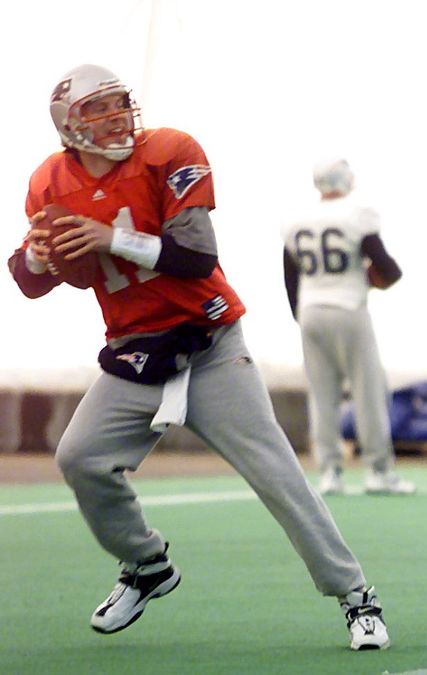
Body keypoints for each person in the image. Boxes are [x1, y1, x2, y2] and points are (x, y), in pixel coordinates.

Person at [11, 65, 390, 650]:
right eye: (98, 109)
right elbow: (29, 281)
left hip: (209, 345)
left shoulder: (169, 151)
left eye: (119, 104)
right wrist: (38, 256)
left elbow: (194, 254)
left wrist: (109, 237)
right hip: (133, 352)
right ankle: (146, 564)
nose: (116, 117)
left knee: (278, 476)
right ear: (68, 125)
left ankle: (356, 596)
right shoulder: (49, 183)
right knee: (80, 457)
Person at [281, 158, 413, 497]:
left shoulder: (296, 220)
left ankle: (329, 472)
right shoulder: (357, 214)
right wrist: (374, 277)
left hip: (310, 310)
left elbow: (290, 275)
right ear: (344, 179)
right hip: (349, 308)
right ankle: (378, 471)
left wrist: (300, 314)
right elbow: (388, 268)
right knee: (368, 391)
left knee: (322, 395)